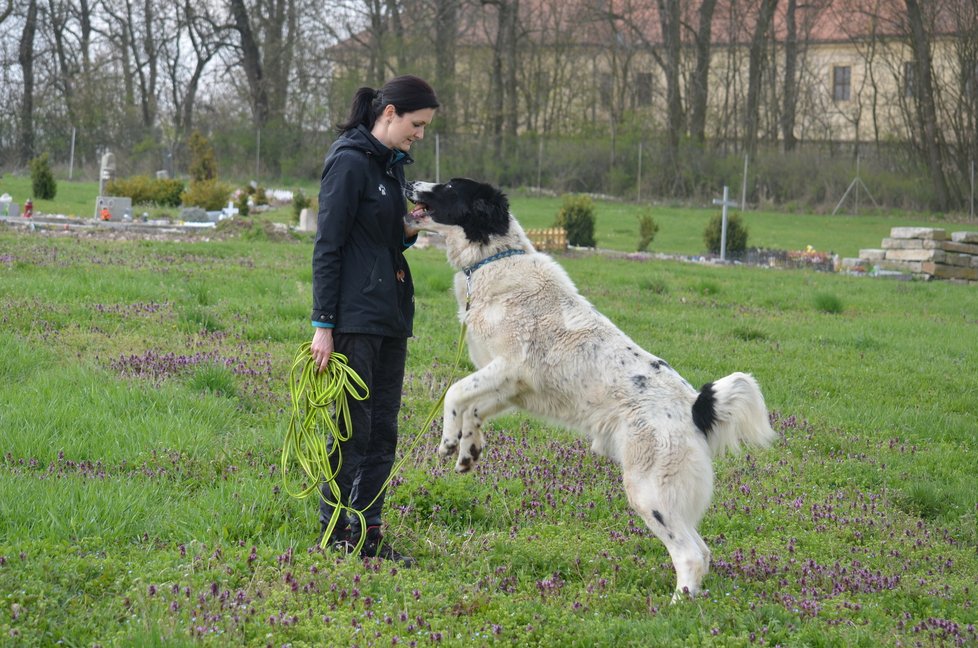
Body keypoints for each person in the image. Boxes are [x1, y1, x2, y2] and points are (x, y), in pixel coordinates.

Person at [309, 75, 439, 565]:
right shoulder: (349, 162)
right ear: (390, 113)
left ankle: (368, 536)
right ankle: (333, 532)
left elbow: (379, 241)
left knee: (383, 431)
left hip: (390, 317)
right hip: (354, 320)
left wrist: (407, 228)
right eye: (416, 124)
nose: (419, 135)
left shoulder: (388, 169)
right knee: (351, 428)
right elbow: (329, 245)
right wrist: (324, 325)